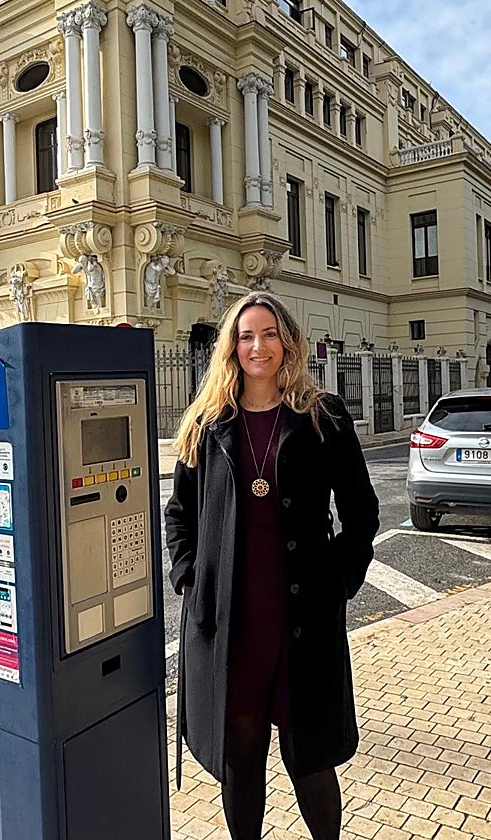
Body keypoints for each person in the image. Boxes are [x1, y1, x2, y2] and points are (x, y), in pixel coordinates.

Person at [164, 291, 380, 840]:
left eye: (267, 334)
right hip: (229, 619)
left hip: (301, 616)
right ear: (231, 348)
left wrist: (342, 579)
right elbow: (180, 510)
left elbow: (361, 510)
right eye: (245, 336)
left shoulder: (322, 416)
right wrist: (188, 574)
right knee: (241, 752)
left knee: (308, 756)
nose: (257, 346)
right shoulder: (208, 422)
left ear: (287, 341)